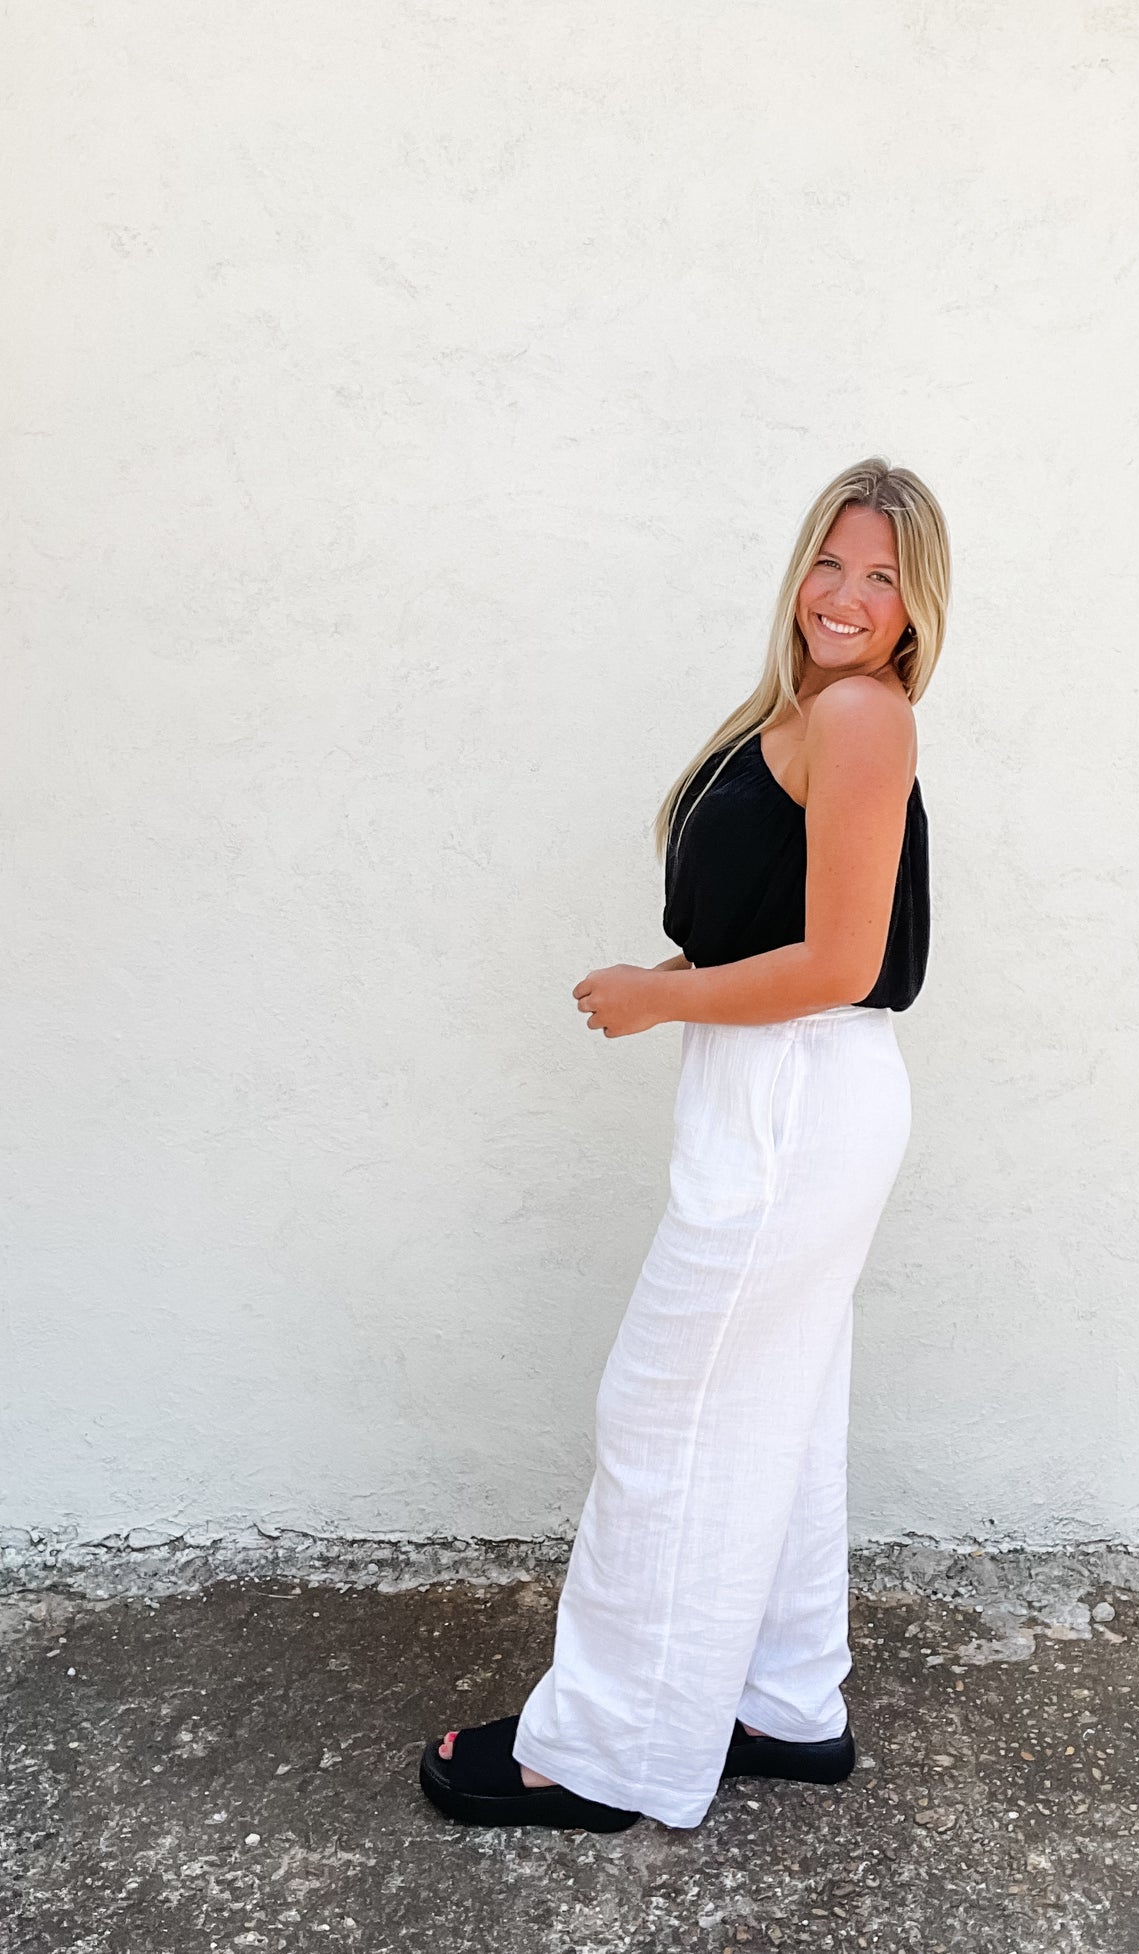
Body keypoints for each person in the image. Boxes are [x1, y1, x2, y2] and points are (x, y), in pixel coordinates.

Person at [419, 457, 951, 1832]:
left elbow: (839, 962)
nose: (845, 595)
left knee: (665, 1411)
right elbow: (772, 927)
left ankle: (602, 1752)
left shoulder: (859, 714)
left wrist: (658, 1000)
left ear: (916, 607)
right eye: (830, 561)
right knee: (779, 1405)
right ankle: (784, 1702)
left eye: (881, 576)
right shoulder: (801, 714)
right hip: (782, 1090)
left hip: (798, 1095)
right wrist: (668, 979)